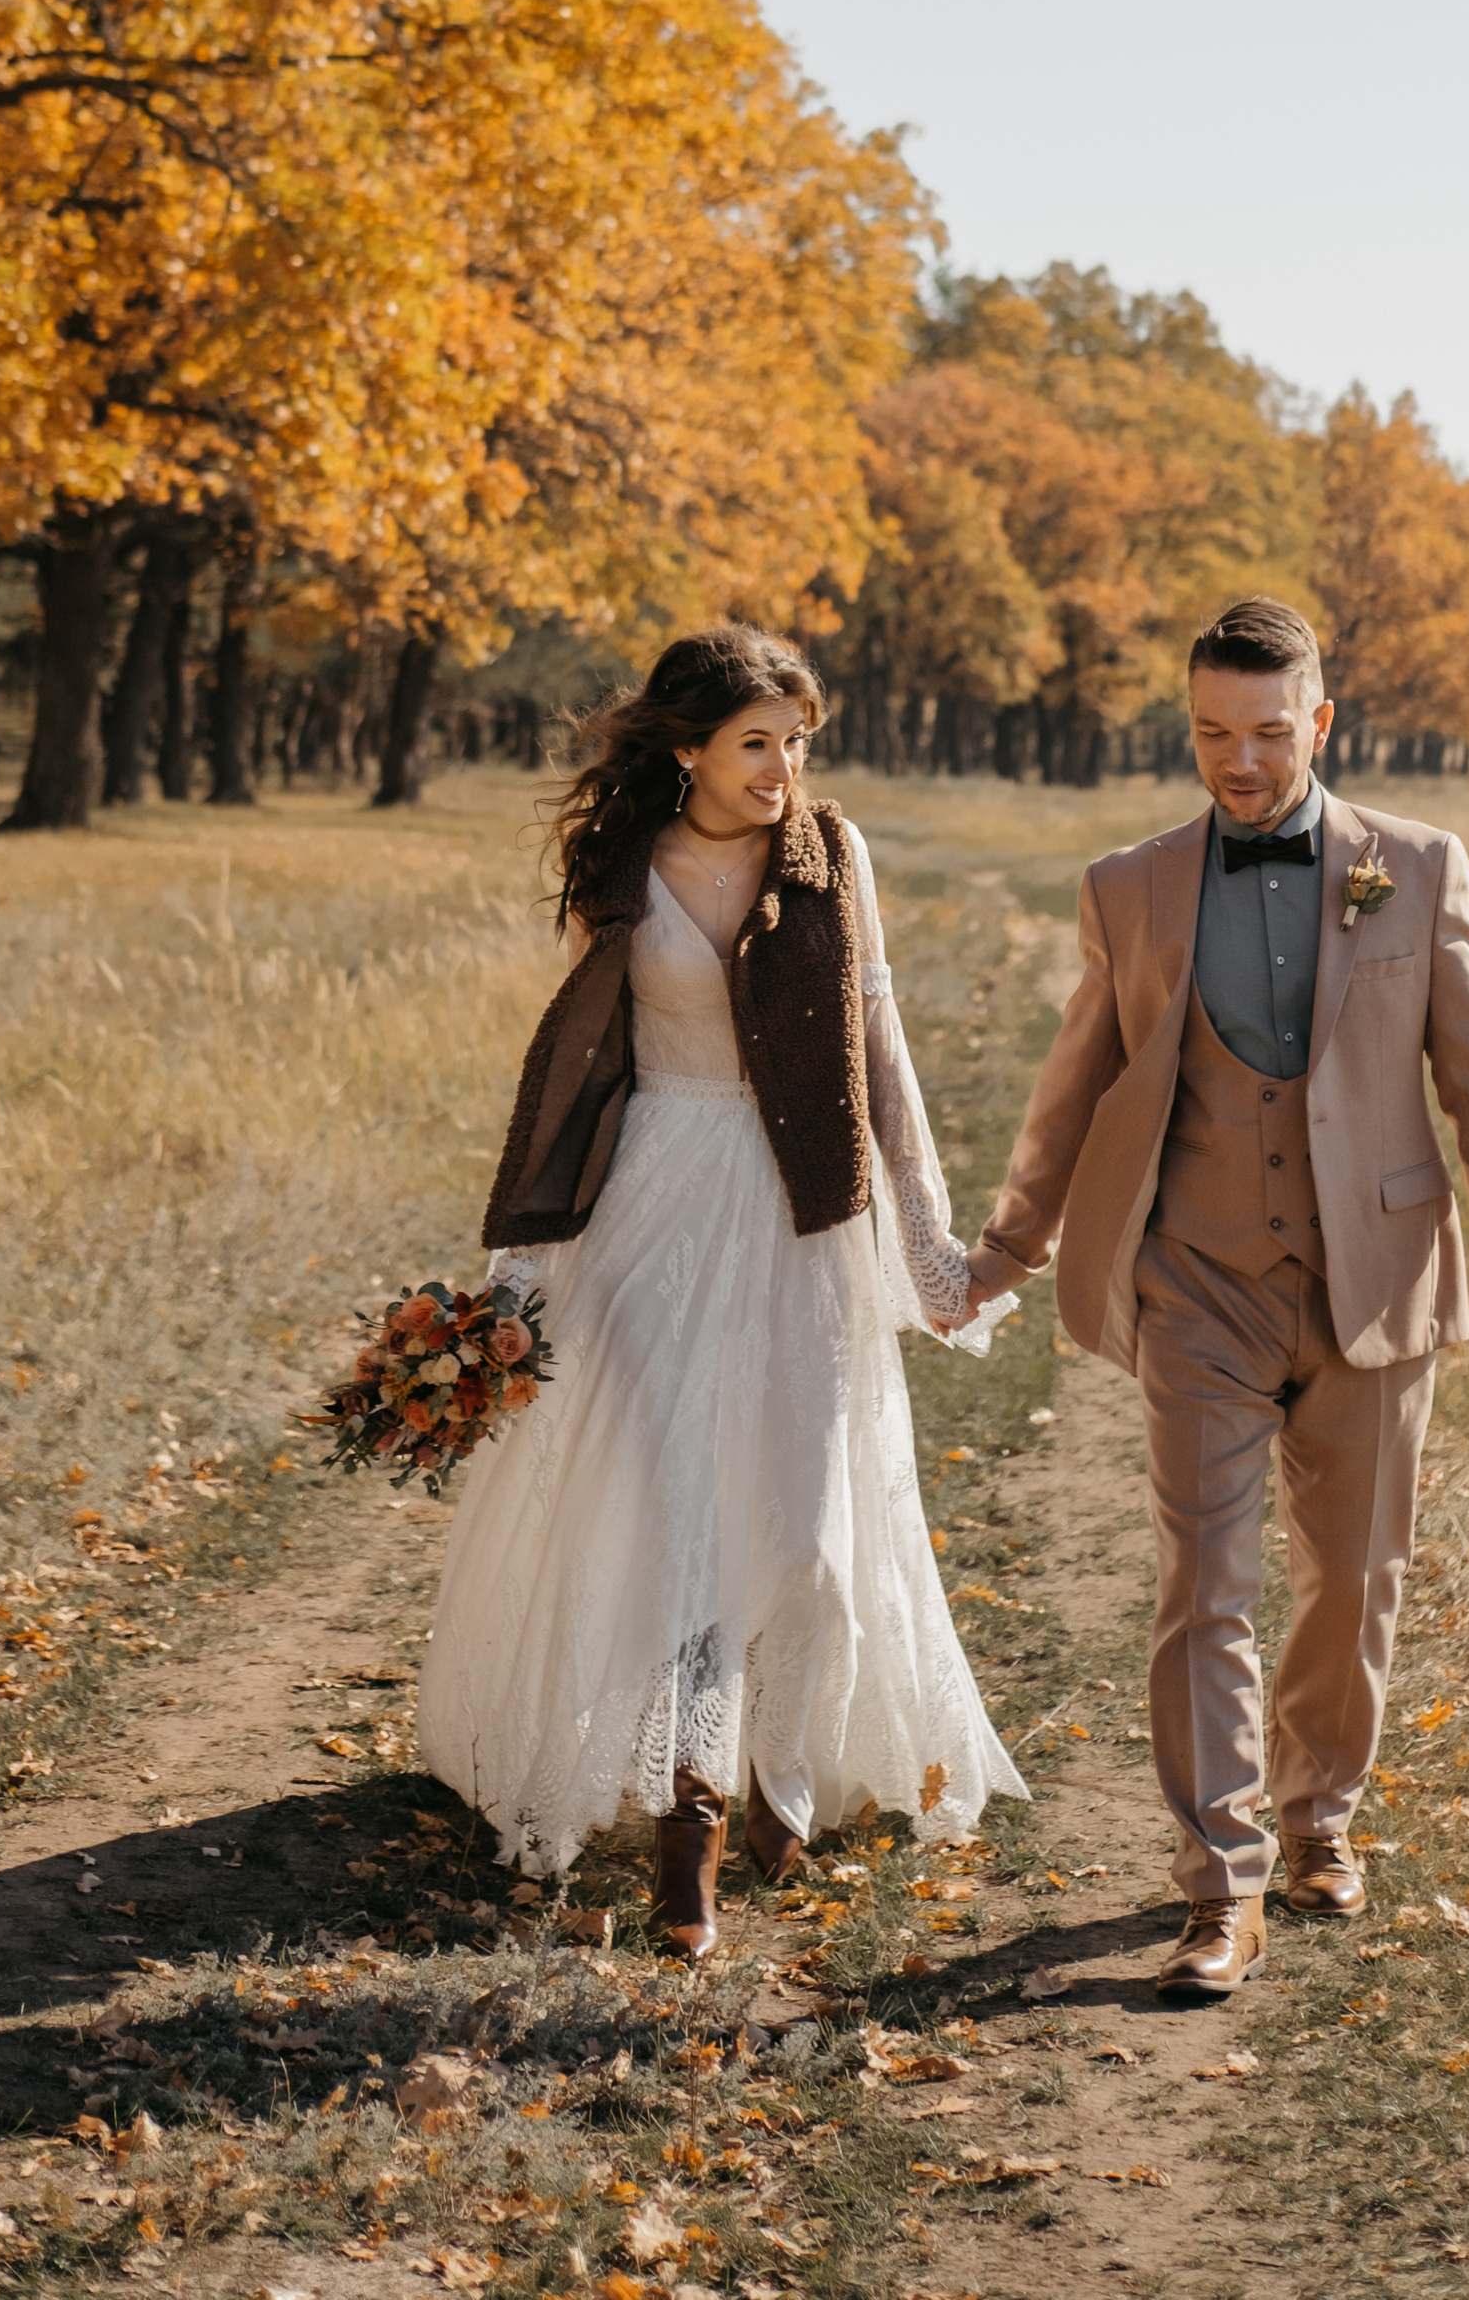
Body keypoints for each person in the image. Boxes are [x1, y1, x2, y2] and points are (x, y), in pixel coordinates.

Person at [959, 595, 1469, 2001]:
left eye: (1268, 734)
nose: (1238, 763)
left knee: (1352, 1583)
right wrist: (1012, 1240)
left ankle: (1318, 1822)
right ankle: (1220, 1886)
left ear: (1323, 725)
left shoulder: (1417, 867)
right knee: (1202, 1587)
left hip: (1378, 1278)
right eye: (1211, 735)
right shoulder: (1131, 885)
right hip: (1199, 1283)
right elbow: (1077, 1083)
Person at [418, 622, 1025, 1952]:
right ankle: (688, 1827)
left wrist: (929, 1240)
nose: (784, 767)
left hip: (804, 1214)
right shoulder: (620, 869)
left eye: (797, 742)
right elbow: (580, 1068)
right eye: (759, 743)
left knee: (803, 1539)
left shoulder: (832, 855)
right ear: (688, 746)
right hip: (654, 1211)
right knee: (687, 1525)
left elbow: (881, 1052)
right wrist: (517, 1273)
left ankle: (782, 1778)